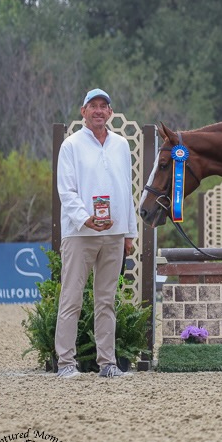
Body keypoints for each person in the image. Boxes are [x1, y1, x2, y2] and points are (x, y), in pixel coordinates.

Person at [55, 88, 138, 378]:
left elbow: (127, 191)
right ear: (84, 112)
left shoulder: (120, 145)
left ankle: (108, 363)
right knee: (71, 298)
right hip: (79, 234)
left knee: (106, 300)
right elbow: (66, 191)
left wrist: (129, 232)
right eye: (94, 106)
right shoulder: (71, 146)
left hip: (114, 233)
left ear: (110, 113)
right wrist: (85, 219)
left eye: (104, 106)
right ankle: (65, 363)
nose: (99, 111)